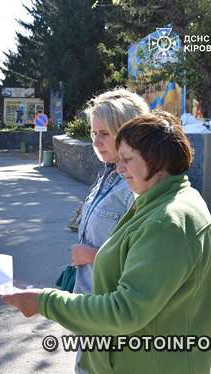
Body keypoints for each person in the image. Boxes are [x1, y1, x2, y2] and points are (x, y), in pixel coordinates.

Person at [3, 111, 211, 374]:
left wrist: (44, 302)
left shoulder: (166, 221)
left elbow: (124, 310)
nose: (119, 168)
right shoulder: (160, 200)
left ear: (158, 161)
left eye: (127, 159)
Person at [70, 89, 148, 296]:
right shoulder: (109, 173)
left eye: (104, 133)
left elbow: (149, 263)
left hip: (111, 310)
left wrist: (90, 256)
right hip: (89, 299)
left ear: (130, 134)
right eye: (94, 133)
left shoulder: (138, 186)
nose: (96, 142)